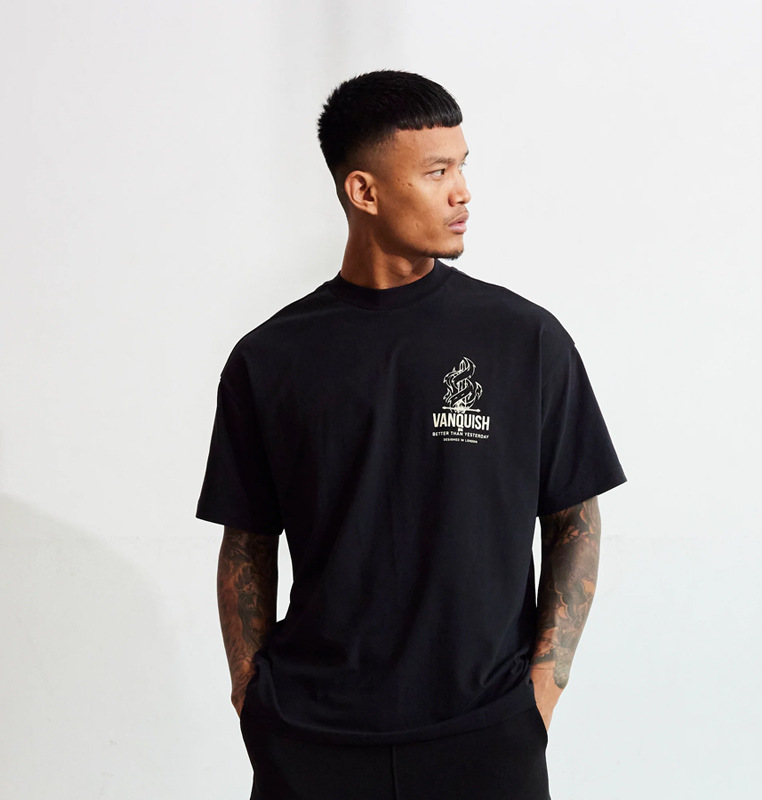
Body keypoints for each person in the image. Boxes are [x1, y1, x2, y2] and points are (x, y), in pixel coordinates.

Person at [196, 69, 626, 800]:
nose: (463, 193)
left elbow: (574, 519)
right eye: (436, 172)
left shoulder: (524, 339)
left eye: (462, 166)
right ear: (363, 191)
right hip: (312, 742)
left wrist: (542, 691)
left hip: (485, 734)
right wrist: (251, 695)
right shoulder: (269, 359)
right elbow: (247, 541)